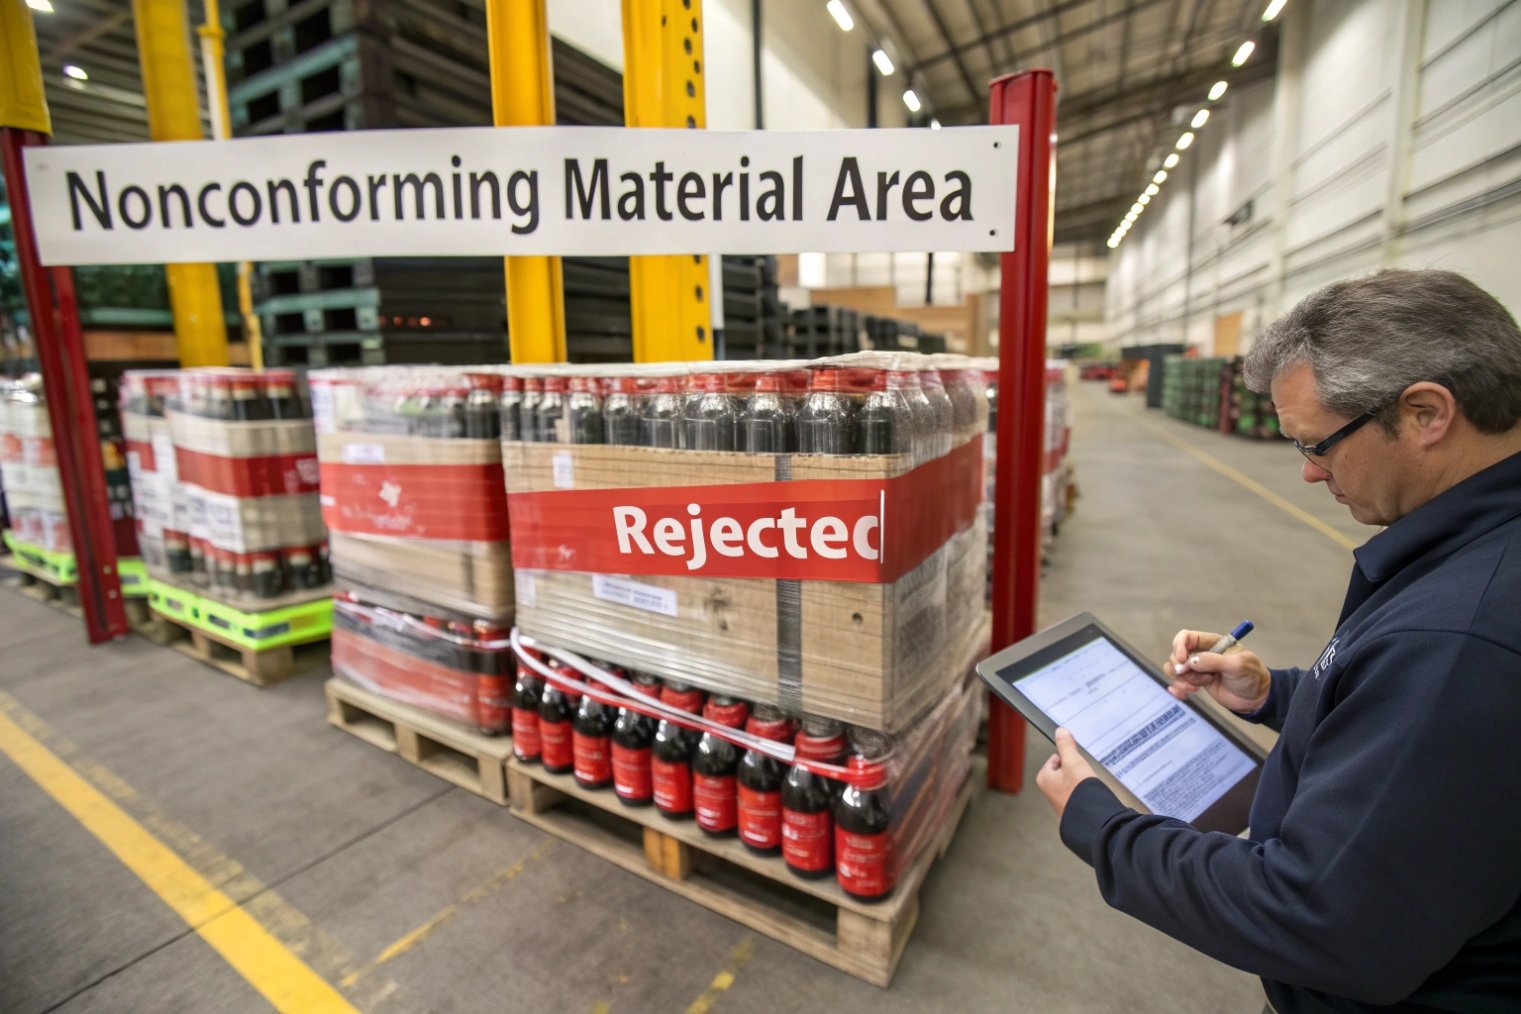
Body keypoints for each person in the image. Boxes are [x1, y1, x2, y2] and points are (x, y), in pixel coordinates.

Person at [1036, 269, 1521, 1012]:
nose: (1304, 471)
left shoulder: (1460, 636)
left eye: (1318, 444)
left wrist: (1101, 826)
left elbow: (1317, 920)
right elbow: (1413, 731)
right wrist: (1278, 695)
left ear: (1425, 412)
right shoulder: (1475, 553)